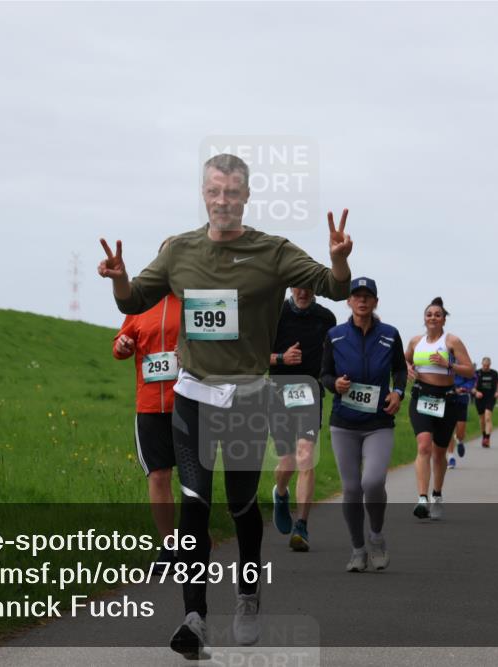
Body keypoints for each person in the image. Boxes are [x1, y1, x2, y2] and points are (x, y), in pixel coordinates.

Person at [99, 153, 352, 658]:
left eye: (232, 193)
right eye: (215, 191)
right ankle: (194, 617)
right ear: (204, 193)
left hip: (246, 397)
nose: (223, 201)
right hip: (191, 396)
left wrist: (340, 257)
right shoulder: (180, 251)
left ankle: (248, 595)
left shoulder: (273, 251)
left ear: (246, 197)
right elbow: (132, 303)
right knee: (195, 503)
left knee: (239, 506)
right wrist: (120, 278)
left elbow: (336, 287)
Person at [320, 277, 406, 572]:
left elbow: (400, 370)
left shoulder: (390, 335)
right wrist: (336, 384)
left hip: (379, 422)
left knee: (372, 482)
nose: (362, 300)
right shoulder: (335, 335)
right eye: (357, 295)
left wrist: (398, 392)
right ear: (349, 301)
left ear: (376, 302)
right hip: (344, 422)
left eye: (368, 296)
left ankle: (377, 536)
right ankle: (358, 549)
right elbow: (324, 375)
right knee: (352, 489)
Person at [112, 247, 182, 565]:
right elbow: (121, 343)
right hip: (151, 405)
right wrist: (123, 344)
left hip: (190, 403)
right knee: (158, 475)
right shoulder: (140, 302)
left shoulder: (194, 299)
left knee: (196, 477)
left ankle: (195, 540)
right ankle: (169, 546)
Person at [269, 287, 336, 552]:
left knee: (306, 455)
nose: (303, 292)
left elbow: (332, 355)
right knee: (287, 462)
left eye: (309, 287)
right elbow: (253, 355)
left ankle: (302, 526)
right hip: (278, 391)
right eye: (298, 286)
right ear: (289, 288)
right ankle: (281, 493)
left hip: (310, 391)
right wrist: (281, 358)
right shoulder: (275, 314)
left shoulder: (326, 318)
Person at [405, 297, 475, 520]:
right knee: (424, 445)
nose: (433, 317)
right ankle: (422, 498)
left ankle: (437, 494)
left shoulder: (452, 341)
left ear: (444, 319)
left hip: (446, 399)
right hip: (421, 396)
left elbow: (469, 371)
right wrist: (407, 367)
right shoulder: (416, 342)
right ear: (424, 319)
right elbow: (400, 361)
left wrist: (449, 365)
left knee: (439, 452)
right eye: (429, 314)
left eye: (437, 314)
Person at [448, 367, 475, 467]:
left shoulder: (465, 364)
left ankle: (459, 440)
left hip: (462, 401)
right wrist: (453, 388)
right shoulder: (444, 361)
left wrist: (464, 388)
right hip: (448, 400)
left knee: (460, 432)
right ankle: (451, 457)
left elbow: (472, 377)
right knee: (449, 430)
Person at [473, 357, 498, 446]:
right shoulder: (477, 373)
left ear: (490, 365)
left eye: (487, 366)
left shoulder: (494, 373)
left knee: (487, 417)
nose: (485, 367)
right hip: (480, 398)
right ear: (482, 364)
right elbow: (472, 387)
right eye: (484, 365)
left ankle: (487, 439)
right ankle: (484, 436)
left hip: (490, 398)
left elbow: (497, 384)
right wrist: (476, 392)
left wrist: (497, 392)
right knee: (482, 420)